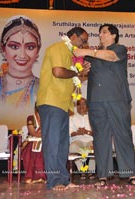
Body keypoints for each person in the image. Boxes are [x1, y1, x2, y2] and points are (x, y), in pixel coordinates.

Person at [73, 24, 135, 187]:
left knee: (122, 135)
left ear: (114, 36)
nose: (100, 35)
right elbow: (81, 74)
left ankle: (129, 173)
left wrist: (86, 51)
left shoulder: (119, 49)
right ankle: (103, 175)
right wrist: (82, 71)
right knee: (100, 137)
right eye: (100, 33)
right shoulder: (92, 56)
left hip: (118, 99)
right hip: (96, 101)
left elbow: (110, 57)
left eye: (104, 32)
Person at [37, 27, 90, 191]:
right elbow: (58, 72)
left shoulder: (72, 56)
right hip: (51, 100)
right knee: (52, 143)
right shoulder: (58, 48)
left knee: (62, 144)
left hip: (63, 104)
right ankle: (53, 181)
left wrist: (82, 73)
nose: (85, 44)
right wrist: (76, 72)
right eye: (83, 40)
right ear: (73, 37)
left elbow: (73, 77)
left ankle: (64, 179)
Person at [0, 15, 41, 107]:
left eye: (30, 47)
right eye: (14, 46)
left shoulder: (43, 87)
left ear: (38, 51)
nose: (22, 55)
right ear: (3, 49)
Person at [69, 98, 95, 180]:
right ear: (76, 107)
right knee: (72, 147)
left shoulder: (92, 117)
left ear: (87, 106)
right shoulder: (72, 118)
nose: (81, 106)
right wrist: (78, 132)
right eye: (79, 104)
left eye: (84, 104)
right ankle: (81, 171)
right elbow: (70, 132)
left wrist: (86, 132)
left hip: (90, 140)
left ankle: (91, 171)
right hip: (77, 140)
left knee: (94, 146)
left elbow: (97, 132)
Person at [21, 103, 46, 184]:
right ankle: (32, 177)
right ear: (36, 107)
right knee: (32, 149)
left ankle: (44, 176)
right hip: (32, 141)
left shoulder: (47, 118)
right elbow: (33, 133)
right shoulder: (30, 118)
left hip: (44, 141)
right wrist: (44, 135)